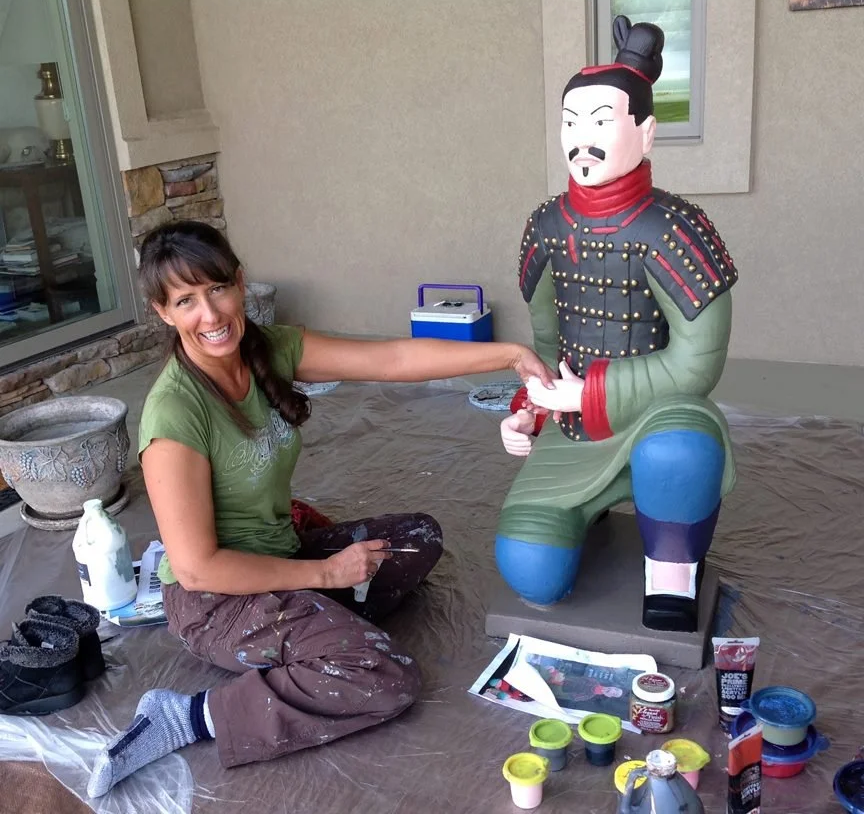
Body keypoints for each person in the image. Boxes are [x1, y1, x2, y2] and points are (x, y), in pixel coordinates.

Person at [87, 220, 556, 797]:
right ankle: (189, 716)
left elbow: (391, 359)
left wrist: (510, 354)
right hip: (216, 602)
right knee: (383, 675)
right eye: (186, 301)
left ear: (239, 283)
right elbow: (197, 567)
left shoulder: (268, 348)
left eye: (216, 290)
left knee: (417, 537)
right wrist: (326, 574)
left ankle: (314, 635)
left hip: (279, 554)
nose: (209, 314)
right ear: (164, 313)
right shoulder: (174, 414)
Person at [494, 15, 738, 633]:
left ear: (646, 132)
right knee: (531, 570)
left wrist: (591, 391)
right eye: (571, 125)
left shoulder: (675, 229)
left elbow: (696, 365)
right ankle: (585, 510)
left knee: (678, 451)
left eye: (602, 124)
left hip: (660, 415)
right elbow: (547, 345)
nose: (583, 141)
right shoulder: (548, 225)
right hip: (575, 431)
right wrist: (533, 404)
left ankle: (672, 571)